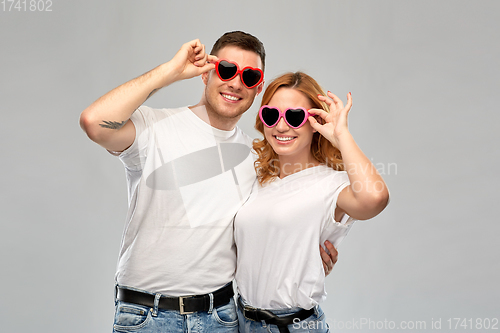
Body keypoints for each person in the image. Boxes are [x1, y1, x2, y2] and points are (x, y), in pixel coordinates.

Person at [79, 32, 338, 333]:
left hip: (222, 318)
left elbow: (269, 226)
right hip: (148, 316)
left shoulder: (259, 159)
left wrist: (303, 259)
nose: (236, 82)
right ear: (206, 73)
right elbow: (93, 122)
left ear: (258, 89)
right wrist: (168, 72)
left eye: (249, 76)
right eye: (226, 69)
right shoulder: (154, 127)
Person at [234, 72, 390, 333]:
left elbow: (375, 198)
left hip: (291, 326)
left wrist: (341, 135)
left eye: (294, 117)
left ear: (315, 121)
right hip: (241, 320)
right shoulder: (258, 176)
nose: (281, 127)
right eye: (272, 115)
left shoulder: (331, 184)